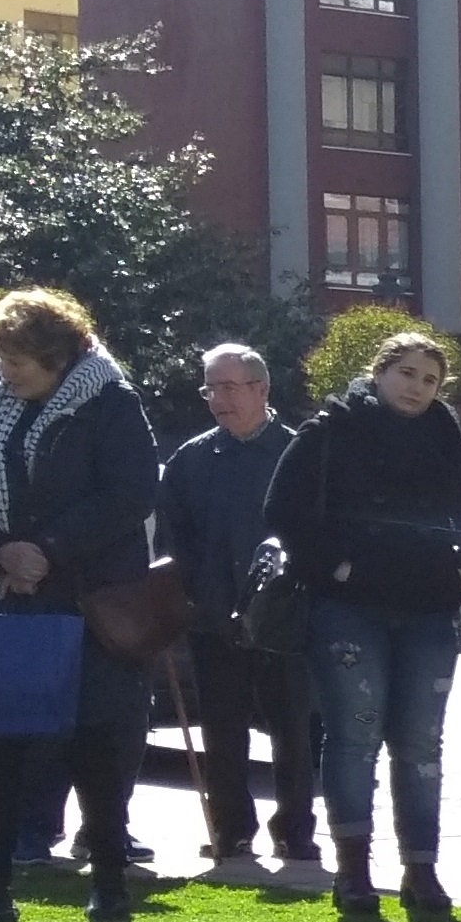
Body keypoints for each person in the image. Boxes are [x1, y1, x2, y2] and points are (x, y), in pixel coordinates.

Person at [0, 289, 163, 922]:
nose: (4, 371)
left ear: (60, 358)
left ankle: (109, 882)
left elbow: (131, 491)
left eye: (19, 361)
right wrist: (1, 550)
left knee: (98, 743)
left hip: (91, 597)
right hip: (5, 594)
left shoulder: (110, 401)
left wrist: (49, 549)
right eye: (1, 357)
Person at [270, 327, 461, 922]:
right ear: (379, 371)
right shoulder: (331, 429)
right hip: (348, 608)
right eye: (407, 374)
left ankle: (421, 868)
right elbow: (283, 509)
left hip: (428, 610)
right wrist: (332, 566)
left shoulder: (445, 436)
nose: (417, 388)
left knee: (421, 745)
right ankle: (353, 869)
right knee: (354, 736)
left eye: (430, 380)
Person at [161, 343, 320, 879]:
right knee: (221, 733)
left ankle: (296, 834)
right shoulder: (190, 460)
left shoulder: (299, 454)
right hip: (214, 620)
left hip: (284, 625)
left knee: (294, 731)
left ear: (261, 389)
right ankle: (231, 831)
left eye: (228, 388)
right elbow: (173, 542)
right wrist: (184, 600)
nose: (217, 400)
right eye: (210, 388)